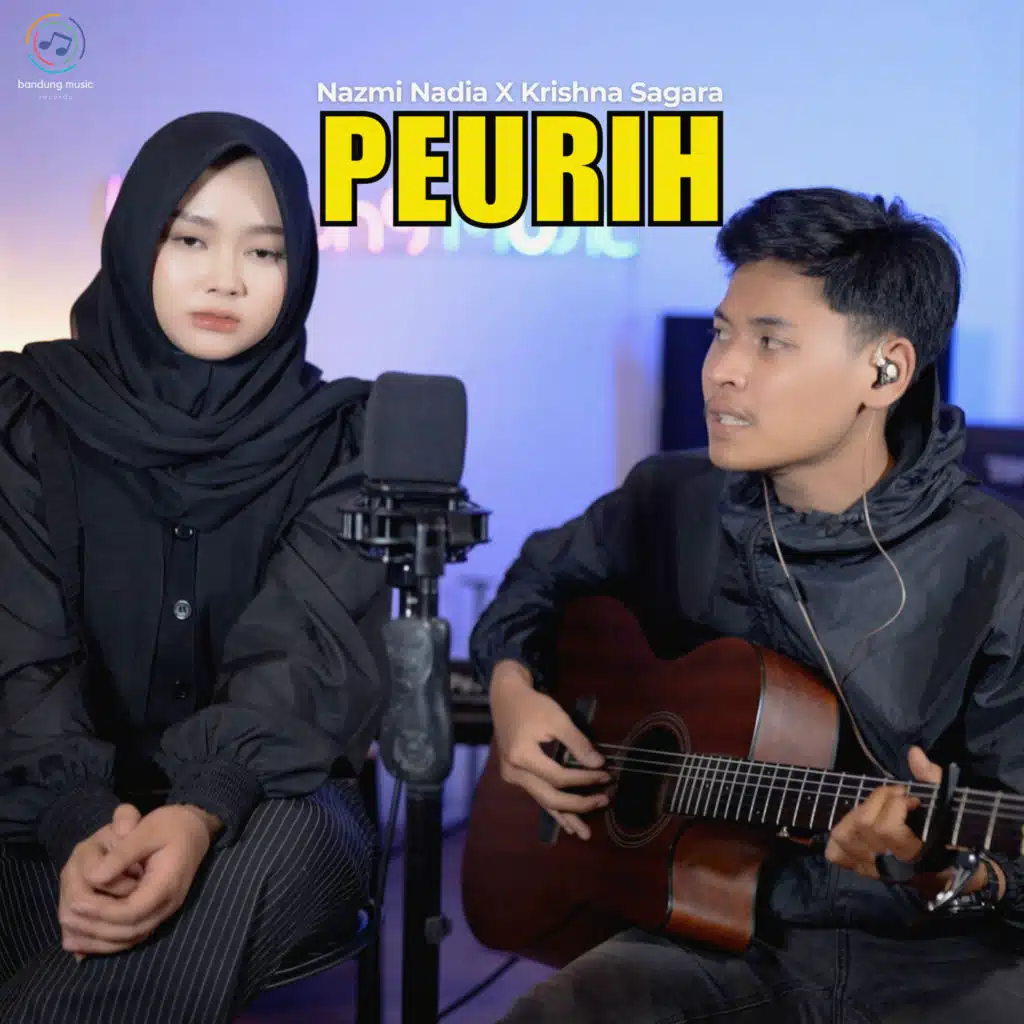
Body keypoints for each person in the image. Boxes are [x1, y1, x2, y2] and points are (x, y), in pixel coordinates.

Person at [469, 187, 1024, 1022]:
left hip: (940, 961)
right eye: (722, 331)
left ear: (885, 370)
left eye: (770, 342)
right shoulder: (673, 496)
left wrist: (942, 867)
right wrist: (511, 689)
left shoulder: (999, 561)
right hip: (710, 934)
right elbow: (538, 582)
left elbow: (1009, 866)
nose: (721, 368)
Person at [0, 111, 391, 1022]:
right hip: (38, 801)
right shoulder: (24, 415)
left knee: (293, 836)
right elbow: (18, 659)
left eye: (265, 251)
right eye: (190, 239)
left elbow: (300, 659)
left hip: (270, 803)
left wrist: (200, 807)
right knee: (65, 900)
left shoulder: (349, 437)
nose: (226, 278)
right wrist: (81, 823)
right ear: (135, 240)